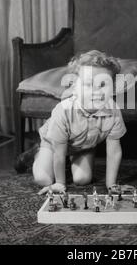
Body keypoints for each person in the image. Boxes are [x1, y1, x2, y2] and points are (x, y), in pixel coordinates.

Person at [31, 50, 126, 195]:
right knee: (43, 179)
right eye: (88, 84)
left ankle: (78, 158)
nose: (96, 91)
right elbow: (59, 152)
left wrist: (111, 185)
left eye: (103, 84)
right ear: (74, 86)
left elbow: (114, 151)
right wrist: (60, 183)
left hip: (83, 146)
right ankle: (38, 153)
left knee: (82, 179)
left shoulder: (113, 111)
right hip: (54, 145)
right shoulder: (63, 110)